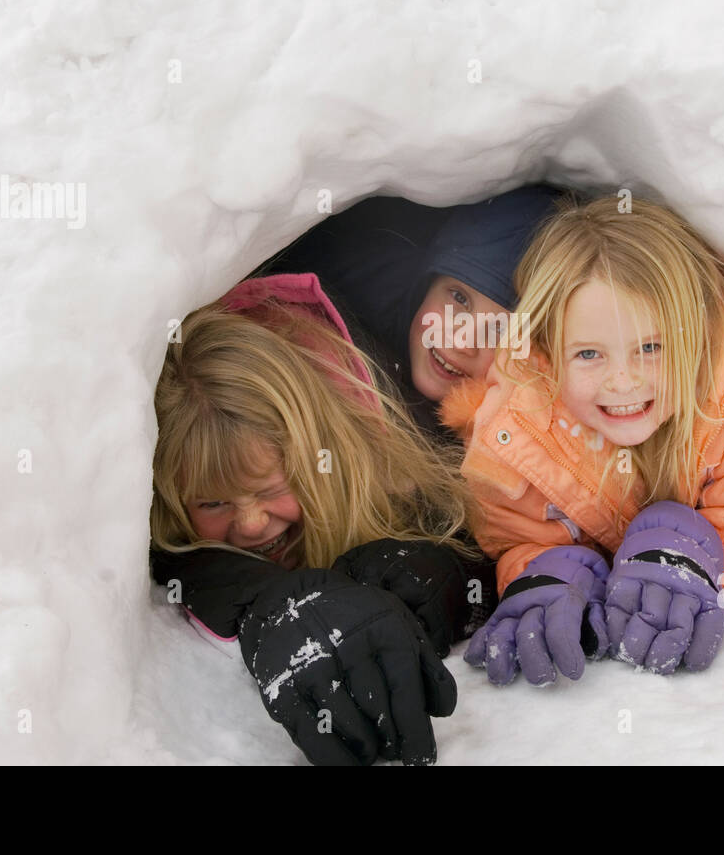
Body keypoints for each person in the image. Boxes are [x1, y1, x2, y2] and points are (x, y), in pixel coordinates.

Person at [441, 194, 724, 685]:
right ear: (548, 351)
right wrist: (553, 571)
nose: (623, 381)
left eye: (651, 347)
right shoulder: (517, 433)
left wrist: (685, 541)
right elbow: (514, 542)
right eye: (590, 354)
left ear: (694, 337)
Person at [148, 272, 484, 765]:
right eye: (213, 503)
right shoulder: (170, 541)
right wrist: (270, 600)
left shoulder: (388, 471)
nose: (252, 525)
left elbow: (475, 543)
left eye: (270, 490)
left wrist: (433, 577)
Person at [259, 185, 562, 439]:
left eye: (500, 330)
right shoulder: (358, 282)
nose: (462, 342)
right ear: (428, 282)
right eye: (459, 298)